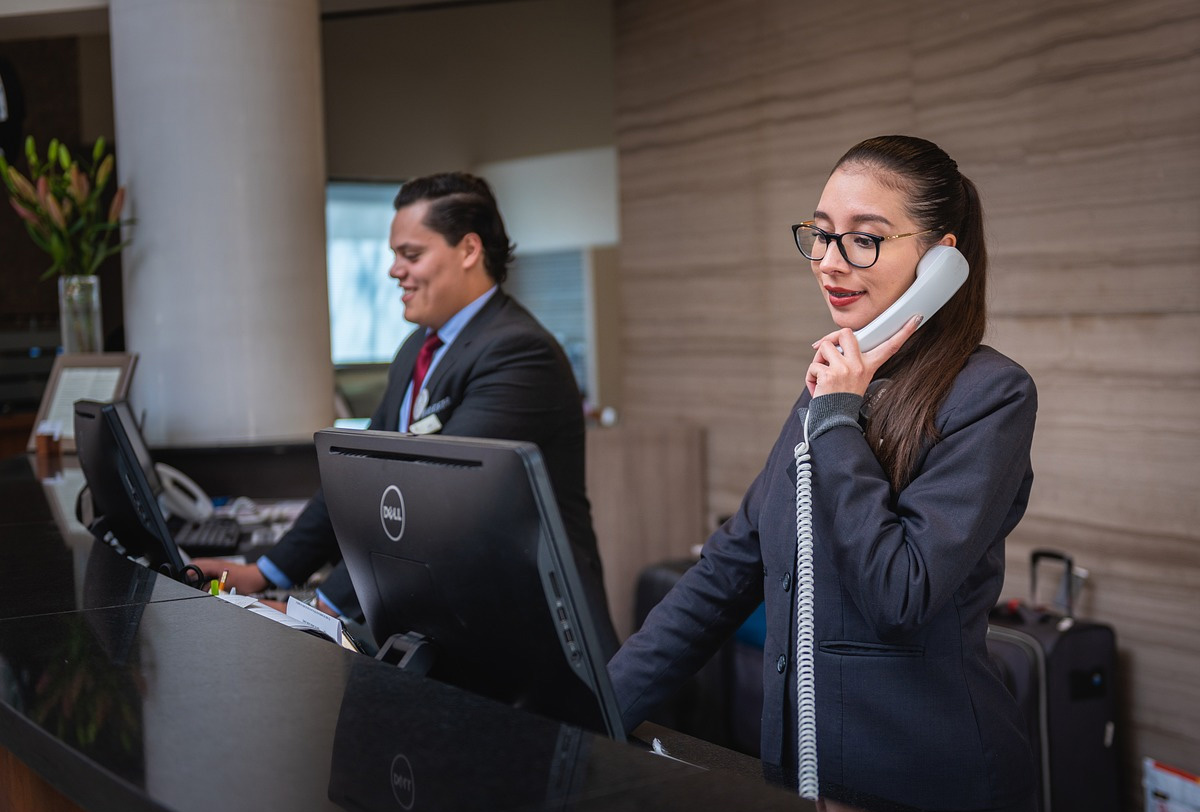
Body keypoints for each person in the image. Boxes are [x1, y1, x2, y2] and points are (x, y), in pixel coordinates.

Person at [608, 136, 1038, 812]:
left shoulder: (990, 395)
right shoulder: (832, 388)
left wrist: (839, 416)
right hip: (799, 774)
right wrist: (595, 707)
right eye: (821, 235)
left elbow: (902, 593)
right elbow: (726, 571)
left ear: (941, 261)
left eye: (863, 240)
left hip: (926, 779)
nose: (830, 264)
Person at [194, 172, 616, 655]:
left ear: (469, 250)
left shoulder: (519, 354)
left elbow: (432, 507)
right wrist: (266, 573)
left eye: (411, 254)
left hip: (529, 640)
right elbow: (356, 479)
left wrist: (319, 611)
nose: (395, 270)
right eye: (395, 254)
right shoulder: (418, 346)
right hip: (449, 624)